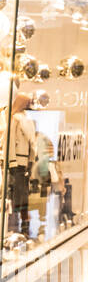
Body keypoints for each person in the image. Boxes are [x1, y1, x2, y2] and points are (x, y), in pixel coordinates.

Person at [6, 94, 37, 236]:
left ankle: (23, 225)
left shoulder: (26, 120)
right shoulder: (16, 120)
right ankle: (16, 226)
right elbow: (10, 141)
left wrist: (31, 162)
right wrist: (12, 162)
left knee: (23, 195)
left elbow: (32, 145)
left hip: (24, 164)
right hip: (17, 163)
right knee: (17, 195)